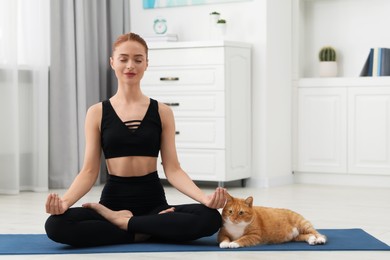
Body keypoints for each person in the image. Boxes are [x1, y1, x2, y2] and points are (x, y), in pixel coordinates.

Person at [45, 32, 227, 247]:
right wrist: (65, 202)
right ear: (113, 63)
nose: (130, 65)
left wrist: (204, 199)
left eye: (138, 59)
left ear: (146, 64)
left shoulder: (162, 112)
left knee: (211, 218)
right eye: (123, 59)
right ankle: (147, 229)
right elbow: (89, 171)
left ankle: (127, 225)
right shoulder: (97, 112)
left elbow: (173, 169)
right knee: (56, 225)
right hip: (112, 203)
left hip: (154, 203)